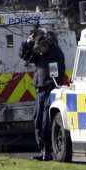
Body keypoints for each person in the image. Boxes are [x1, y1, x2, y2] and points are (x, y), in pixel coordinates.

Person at [19, 32, 65, 161]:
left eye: (40, 47)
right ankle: (43, 150)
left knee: (46, 122)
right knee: (38, 120)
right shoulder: (40, 55)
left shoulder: (55, 54)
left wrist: (47, 34)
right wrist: (28, 42)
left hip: (51, 90)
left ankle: (48, 150)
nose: (38, 50)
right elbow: (24, 55)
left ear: (46, 45)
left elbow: (54, 45)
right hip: (40, 91)